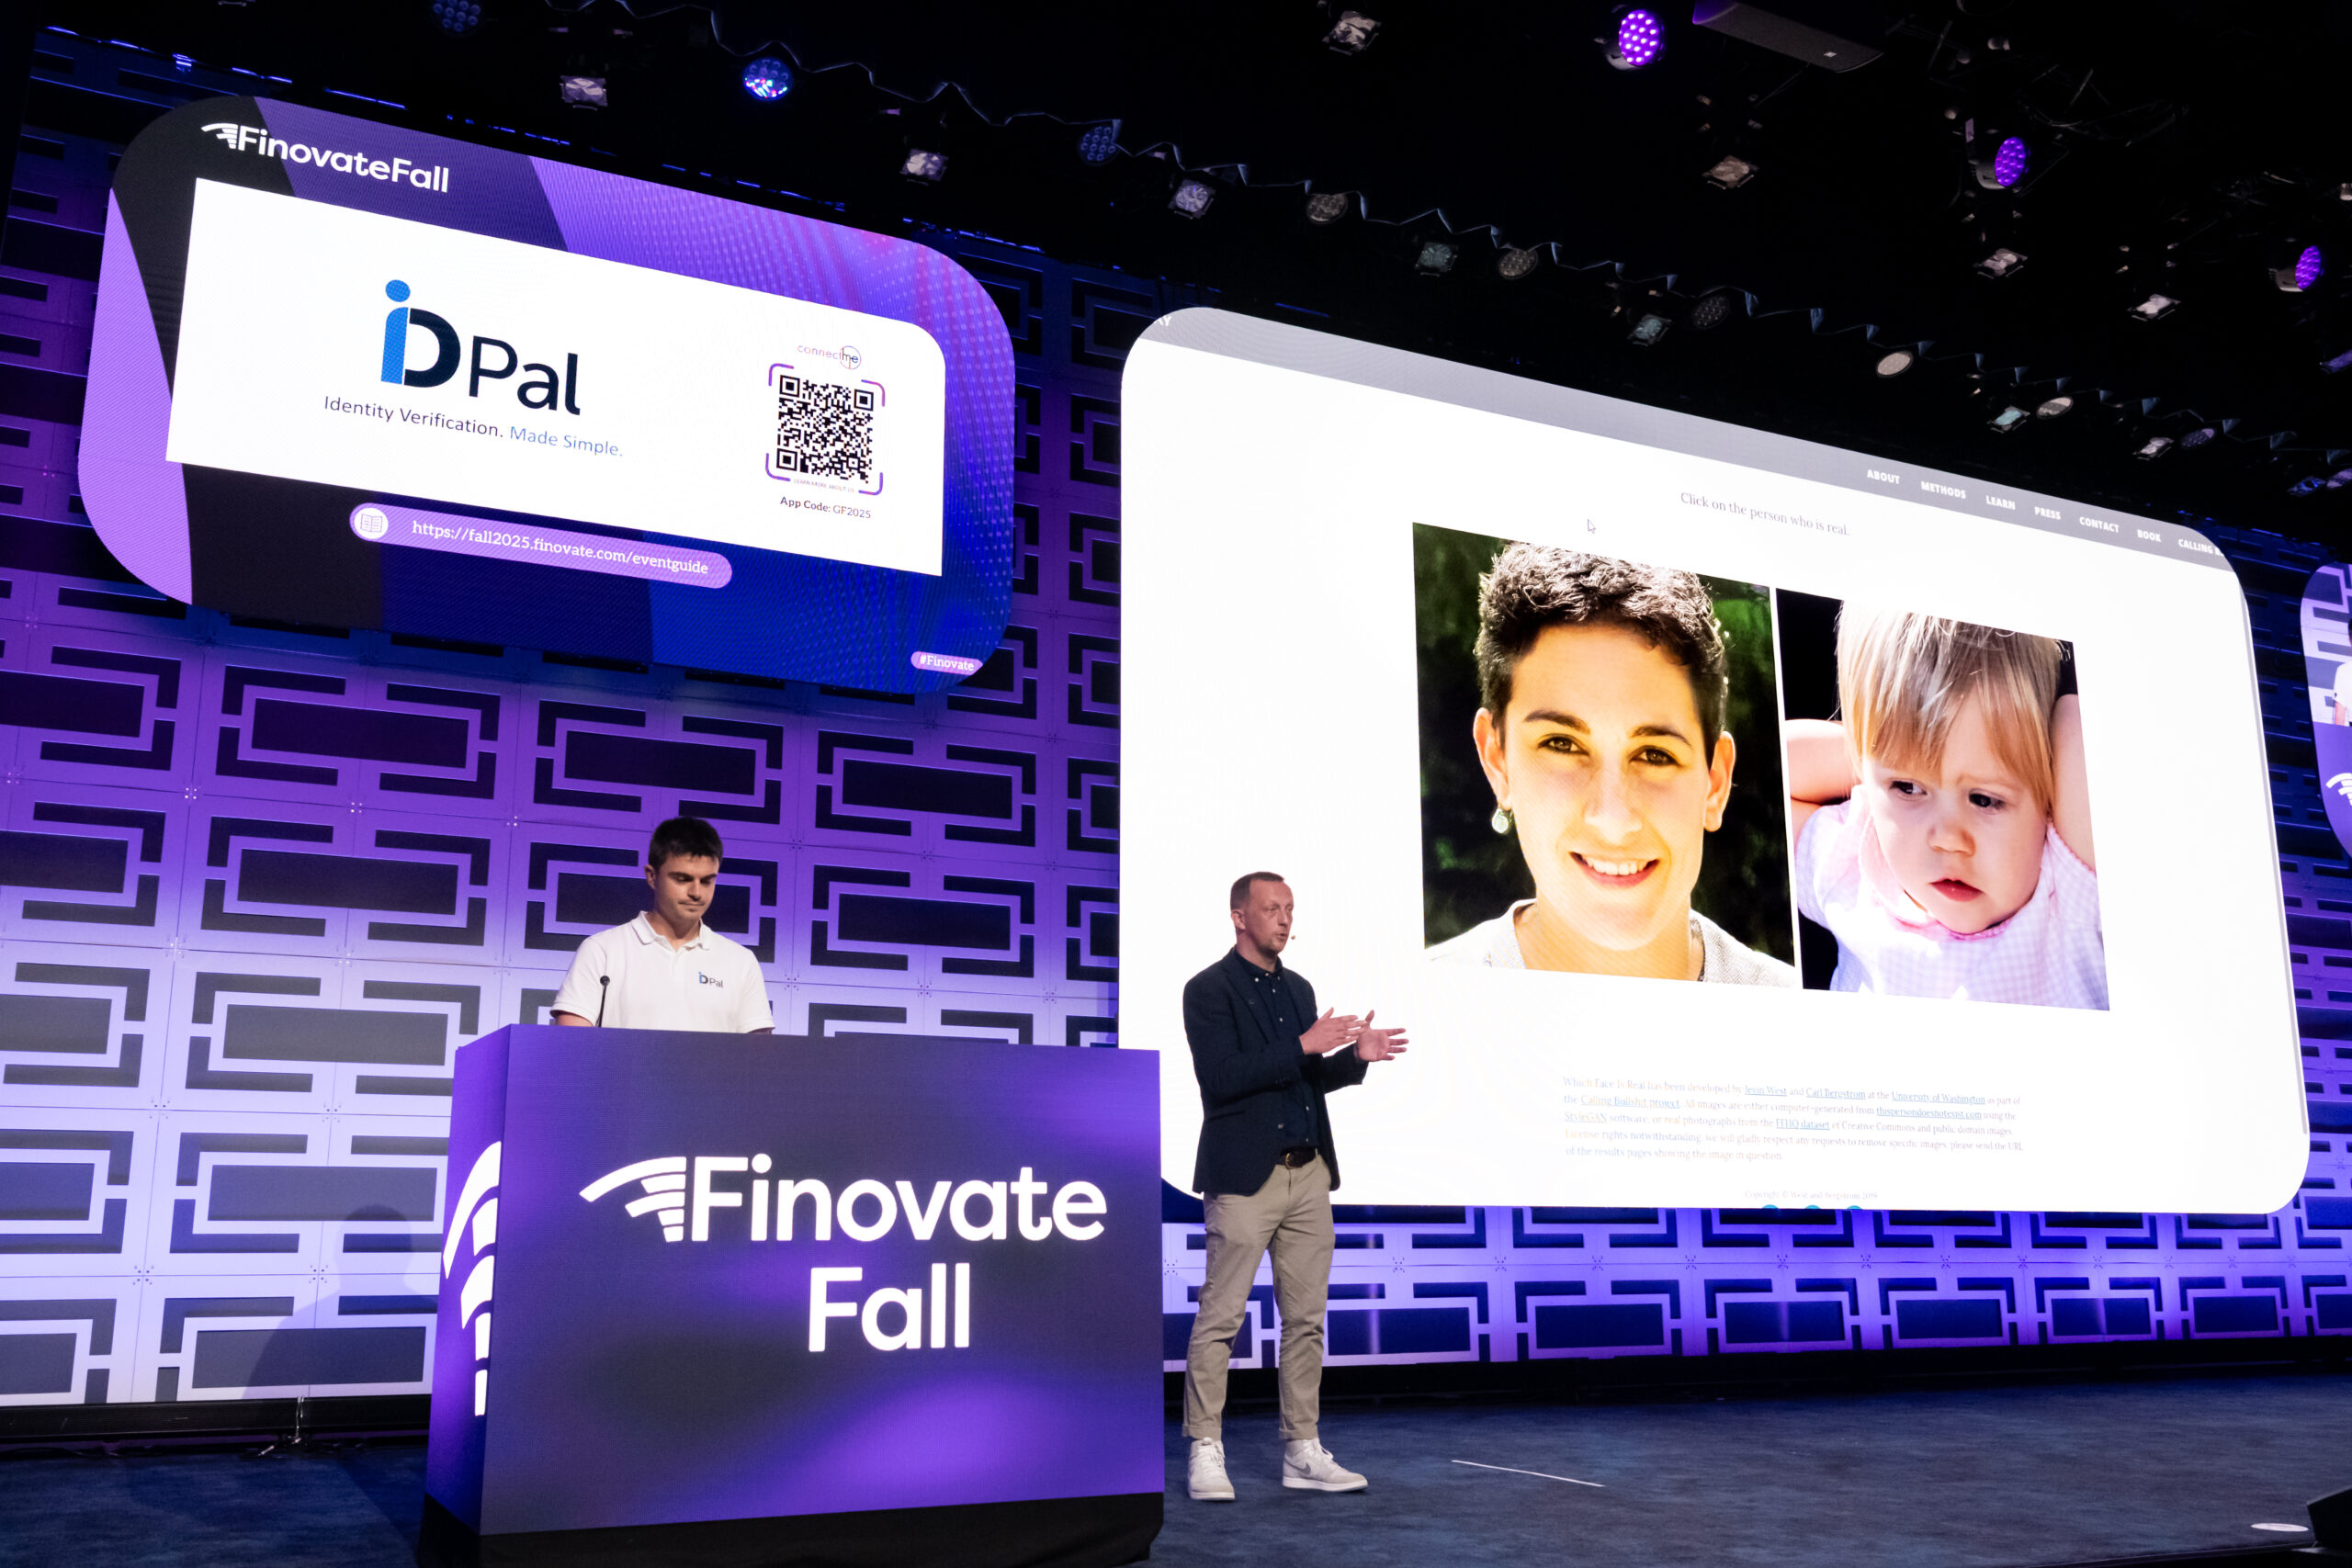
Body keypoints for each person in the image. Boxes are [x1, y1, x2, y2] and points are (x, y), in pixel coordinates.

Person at [1428, 544, 1795, 984]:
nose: (1613, 821)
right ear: (1497, 761)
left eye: (1655, 755)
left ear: (1715, 783)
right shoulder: (1413, 1006)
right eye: (1561, 744)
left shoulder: (1800, 1007)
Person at [1182, 873, 1408, 1504]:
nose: (1284, 919)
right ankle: (1205, 1446)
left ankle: (1301, 1449)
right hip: (1244, 1176)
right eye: (1271, 908)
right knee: (1221, 1316)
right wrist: (1303, 1044)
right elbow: (1223, 1077)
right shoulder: (1207, 989)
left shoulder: (1299, 988)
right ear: (1239, 916)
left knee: (1305, 1318)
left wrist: (1354, 1056)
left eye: (1289, 909)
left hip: (1308, 1173)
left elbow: (1305, 1077)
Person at [1784, 607, 2105, 1010]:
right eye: (1908, 787)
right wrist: (1874, 750)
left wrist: (1900, 762)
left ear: (2048, 794)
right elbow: (1760, 767)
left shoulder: (2066, 898)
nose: (1949, 839)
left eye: (1985, 799)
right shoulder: (1853, 870)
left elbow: (2076, 726)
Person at [549, 816, 775, 1032]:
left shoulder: (741, 962)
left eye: (707, 881)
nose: (696, 892)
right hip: (621, 1074)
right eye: (682, 879)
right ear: (651, 876)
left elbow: (758, 1061)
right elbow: (570, 1048)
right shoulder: (602, 950)